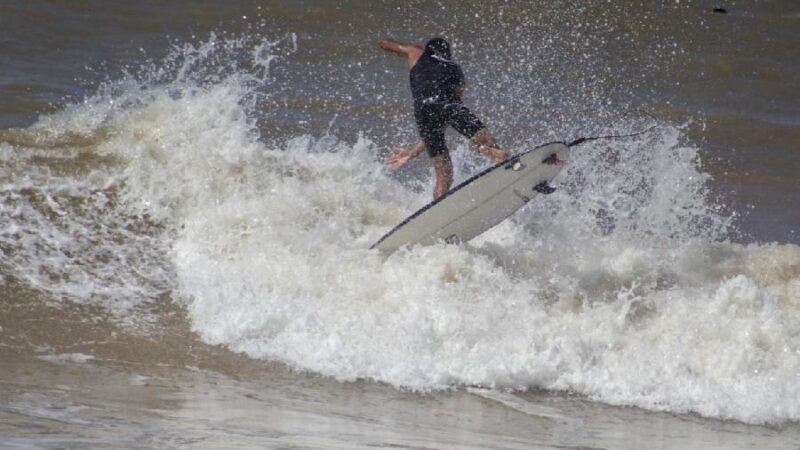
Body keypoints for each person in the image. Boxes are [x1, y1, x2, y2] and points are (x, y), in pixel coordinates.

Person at [378, 37, 509, 199]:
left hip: (423, 110)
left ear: (428, 51)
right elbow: (452, 110)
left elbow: (396, 46)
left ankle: (438, 205)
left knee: (444, 176)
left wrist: (382, 42)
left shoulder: (417, 54)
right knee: (486, 141)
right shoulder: (456, 71)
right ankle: (490, 151)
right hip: (449, 105)